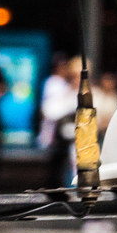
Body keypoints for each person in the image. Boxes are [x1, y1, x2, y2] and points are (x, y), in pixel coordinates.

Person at [39, 55, 81, 187]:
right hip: (61, 139)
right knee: (62, 172)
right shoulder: (57, 86)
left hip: (78, 141)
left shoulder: (74, 89)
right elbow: (49, 111)